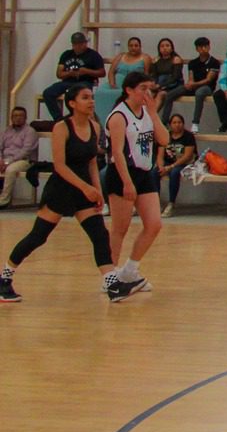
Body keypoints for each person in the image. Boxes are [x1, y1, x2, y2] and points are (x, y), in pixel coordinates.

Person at [0, 85, 133, 303]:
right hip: (61, 190)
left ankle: (112, 285)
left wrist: (98, 191)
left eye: (91, 97)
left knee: (99, 234)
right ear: (72, 103)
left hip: (84, 191)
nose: (91, 101)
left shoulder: (94, 127)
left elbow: (92, 162)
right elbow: (60, 166)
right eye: (85, 98)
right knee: (38, 237)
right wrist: (85, 188)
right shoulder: (62, 127)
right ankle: (4, 277)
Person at [103, 72, 166, 295]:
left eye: (149, 88)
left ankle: (130, 270)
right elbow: (117, 153)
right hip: (122, 173)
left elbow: (164, 140)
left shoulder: (147, 113)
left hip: (144, 172)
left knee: (154, 224)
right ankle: (109, 277)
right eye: (142, 88)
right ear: (129, 90)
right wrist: (127, 183)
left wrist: (153, 113)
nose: (146, 93)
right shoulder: (119, 116)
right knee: (120, 228)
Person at [42, 31, 106, 121]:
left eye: (81, 44)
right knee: (48, 93)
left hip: (85, 82)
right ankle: (58, 119)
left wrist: (86, 71)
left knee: (73, 95)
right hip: (68, 81)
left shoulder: (93, 55)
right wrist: (70, 73)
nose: (78, 46)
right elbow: (59, 74)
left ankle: (75, 118)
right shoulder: (66, 54)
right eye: (75, 44)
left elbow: (102, 73)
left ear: (85, 43)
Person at [168, 36, 220, 130]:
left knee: (199, 93)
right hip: (194, 86)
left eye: (205, 46)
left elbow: (208, 79)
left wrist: (194, 84)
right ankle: (164, 122)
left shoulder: (214, 62)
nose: (203, 49)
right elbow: (191, 77)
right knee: (170, 94)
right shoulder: (192, 63)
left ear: (209, 47)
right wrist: (189, 84)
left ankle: (195, 123)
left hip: (207, 88)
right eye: (200, 47)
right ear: (197, 49)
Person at [157, 112, 198, 217]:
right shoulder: (165, 135)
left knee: (175, 173)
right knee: (154, 172)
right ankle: (156, 202)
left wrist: (171, 167)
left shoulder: (188, 136)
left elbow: (187, 156)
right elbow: (160, 155)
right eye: (174, 122)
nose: (177, 124)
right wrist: (161, 166)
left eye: (179, 122)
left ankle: (171, 203)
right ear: (170, 124)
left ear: (183, 124)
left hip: (183, 163)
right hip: (168, 162)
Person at [1, 107, 42, 206]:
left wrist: (8, 162)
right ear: (11, 117)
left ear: (25, 117)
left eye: (21, 116)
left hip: (24, 160)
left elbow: (26, 151)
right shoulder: (7, 130)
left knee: (10, 170)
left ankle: (3, 200)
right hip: (5, 159)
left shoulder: (30, 131)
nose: (18, 118)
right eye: (15, 116)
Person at [148, 38, 185, 106]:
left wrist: (160, 85)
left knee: (160, 94)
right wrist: (153, 83)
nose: (165, 48)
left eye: (167, 46)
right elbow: (154, 75)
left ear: (172, 48)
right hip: (159, 84)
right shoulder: (156, 60)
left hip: (173, 85)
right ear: (159, 49)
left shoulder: (176, 59)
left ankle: (152, 115)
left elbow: (175, 77)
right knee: (148, 93)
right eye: (162, 46)